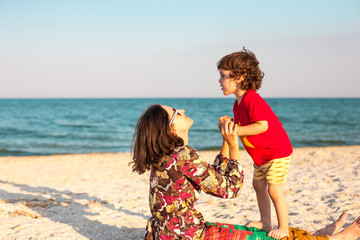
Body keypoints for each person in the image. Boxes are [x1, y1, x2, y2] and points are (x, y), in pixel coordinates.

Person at [130, 104, 360, 240]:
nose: (182, 109)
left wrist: (225, 141)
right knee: (259, 237)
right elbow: (230, 189)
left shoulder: (170, 156)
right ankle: (336, 238)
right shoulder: (182, 156)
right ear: (171, 128)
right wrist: (234, 144)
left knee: (248, 230)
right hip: (189, 236)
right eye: (176, 113)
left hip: (170, 233)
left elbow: (215, 176)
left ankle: (317, 235)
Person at [218, 48, 292, 239]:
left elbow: (261, 126)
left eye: (223, 76)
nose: (219, 81)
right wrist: (231, 125)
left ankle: (284, 227)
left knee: (274, 189)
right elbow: (244, 127)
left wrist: (235, 130)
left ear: (239, 77)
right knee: (258, 186)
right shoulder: (237, 104)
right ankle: (266, 222)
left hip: (277, 152)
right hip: (261, 156)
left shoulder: (251, 98)